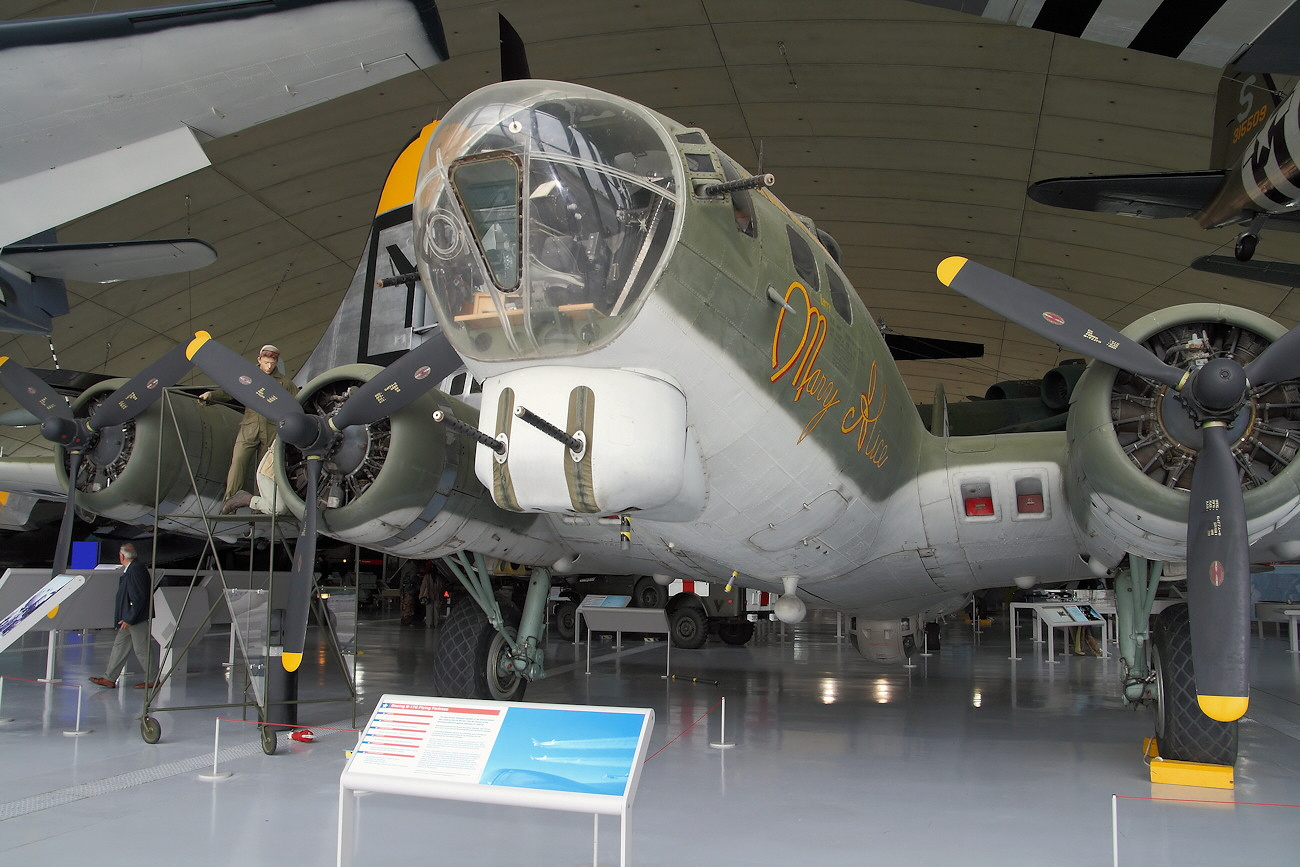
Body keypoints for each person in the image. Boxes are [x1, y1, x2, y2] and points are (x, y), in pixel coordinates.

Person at [199, 344, 298, 513]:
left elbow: (298, 403)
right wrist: (211, 395)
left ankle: (260, 503)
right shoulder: (248, 378)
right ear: (259, 359)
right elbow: (230, 391)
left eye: (272, 363)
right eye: (266, 362)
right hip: (249, 425)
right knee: (238, 460)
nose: (269, 366)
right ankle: (231, 497)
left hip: (271, 429)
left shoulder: (285, 384)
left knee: (263, 469)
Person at [89, 543, 157, 689]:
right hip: (129, 618)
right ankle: (109, 678)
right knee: (120, 646)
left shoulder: (136, 569)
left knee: (142, 649)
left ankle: (152, 679)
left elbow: (139, 597)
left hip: (134, 619)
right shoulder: (134, 569)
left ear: (122, 556)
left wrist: (129, 618)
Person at [219, 441, 289, 515]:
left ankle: (261, 502)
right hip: (272, 473)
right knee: (278, 508)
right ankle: (245, 499)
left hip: (288, 477)